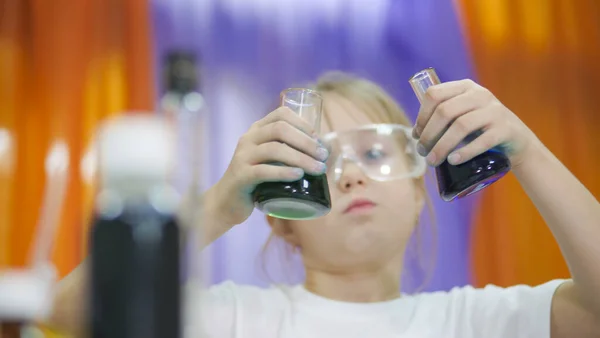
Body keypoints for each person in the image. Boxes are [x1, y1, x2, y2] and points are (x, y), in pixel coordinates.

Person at [47, 72, 600, 337]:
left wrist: (526, 149)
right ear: (286, 222)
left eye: (377, 153)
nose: (353, 175)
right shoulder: (234, 318)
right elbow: (70, 318)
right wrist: (220, 204)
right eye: (324, 164)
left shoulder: (477, 322)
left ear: (416, 192)